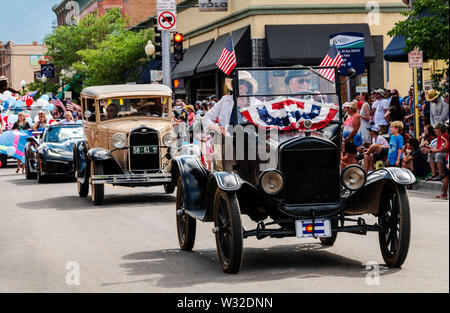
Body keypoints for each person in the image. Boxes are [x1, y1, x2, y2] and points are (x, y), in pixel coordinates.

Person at [202, 70, 260, 135]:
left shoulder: (257, 104)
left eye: (242, 82)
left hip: (252, 142)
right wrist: (215, 126)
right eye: (236, 82)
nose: (239, 84)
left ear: (248, 86)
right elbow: (206, 118)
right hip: (229, 141)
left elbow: (265, 124)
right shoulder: (225, 100)